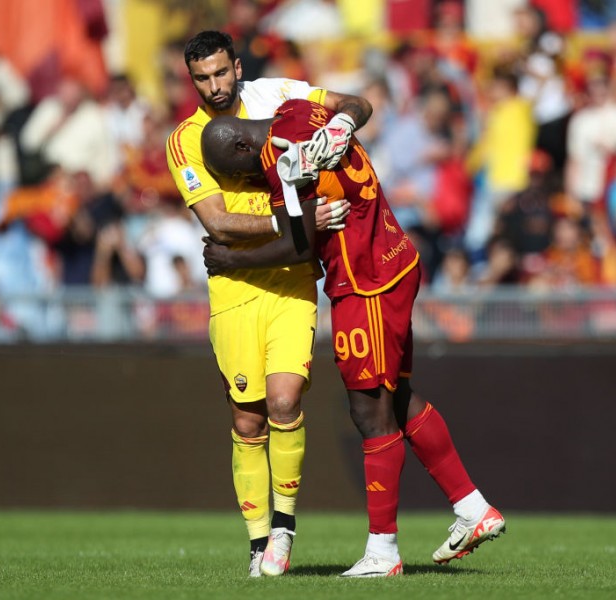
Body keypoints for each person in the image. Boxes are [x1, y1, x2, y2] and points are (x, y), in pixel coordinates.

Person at [200, 98, 505, 578]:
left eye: (237, 172)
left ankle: (382, 552)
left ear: (242, 144)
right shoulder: (299, 109)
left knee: (368, 410)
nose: (246, 181)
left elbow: (300, 248)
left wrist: (230, 259)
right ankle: (473, 508)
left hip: (365, 281)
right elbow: (355, 104)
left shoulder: (274, 163)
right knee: (396, 396)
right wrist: (343, 120)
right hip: (396, 255)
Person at [164, 30, 368, 578]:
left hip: (292, 278)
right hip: (234, 292)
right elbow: (218, 223)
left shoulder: (276, 97)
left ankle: (284, 529)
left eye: (221, 73)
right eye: (202, 78)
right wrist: (296, 221)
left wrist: (344, 122)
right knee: (247, 419)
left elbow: (353, 103)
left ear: (236, 65)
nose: (214, 86)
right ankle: (257, 544)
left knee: (284, 402)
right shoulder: (185, 140)